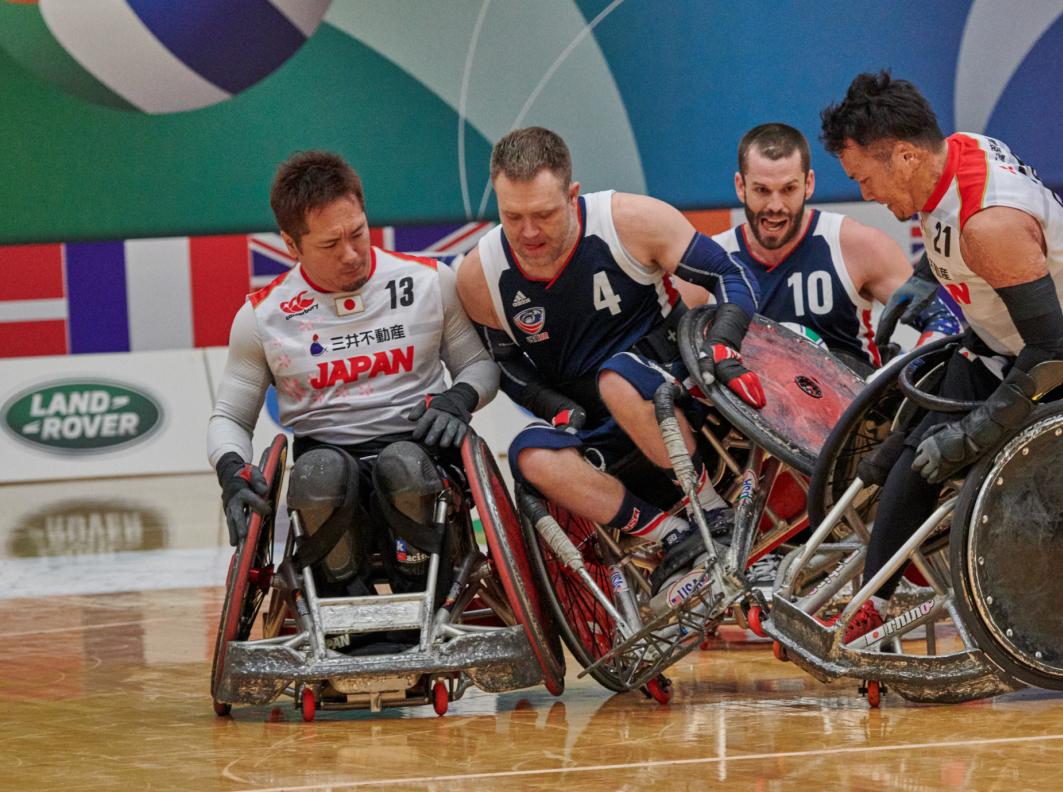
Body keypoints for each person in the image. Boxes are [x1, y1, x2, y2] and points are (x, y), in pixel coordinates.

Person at [818, 71, 1063, 640]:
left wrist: (977, 432)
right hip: (1001, 343)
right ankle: (873, 600)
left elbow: (1052, 351)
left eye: (865, 177)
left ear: (906, 156)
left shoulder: (991, 225)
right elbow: (950, 226)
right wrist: (924, 279)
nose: (865, 193)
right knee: (905, 450)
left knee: (939, 451)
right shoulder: (960, 151)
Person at [455, 127, 765, 598]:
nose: (528, 232)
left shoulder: (629, 220)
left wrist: (722, 343)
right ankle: (670, 536)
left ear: (573, 195)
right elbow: (505, 364)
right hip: (594, 420)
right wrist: (551, 404)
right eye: (512, 216)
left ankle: (711, 509)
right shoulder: (480, 273)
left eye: (543, 214)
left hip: (672, 390)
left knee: (618, 378)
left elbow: (730, 273)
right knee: (528, 454)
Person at [208, 150, 499, 602]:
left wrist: (459, 398)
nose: (350, 254)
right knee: (319, 475)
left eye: (358, 233)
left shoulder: (429, 282)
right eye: (329, 244)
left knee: (403, 465)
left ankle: (419, 590)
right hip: (325, 465)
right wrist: (232, 470)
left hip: (422, 455)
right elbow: (229, 416)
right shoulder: (262, 317)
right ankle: (347, 607)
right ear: (291, 244)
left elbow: (479, 367)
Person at [712, 122, 959, 377]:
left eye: (788, 189)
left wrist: (897, 380)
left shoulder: (857, 245)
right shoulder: (711, 260)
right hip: (749, 412)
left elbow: (943, 322)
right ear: (741, 187)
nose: (775, 205)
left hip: (854, 412)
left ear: (808, 183)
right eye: (762, 190)